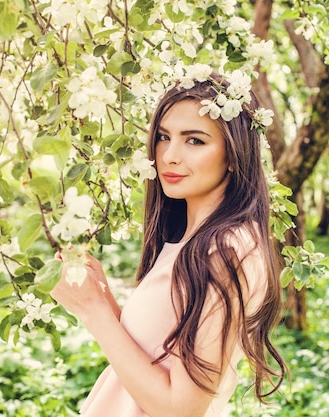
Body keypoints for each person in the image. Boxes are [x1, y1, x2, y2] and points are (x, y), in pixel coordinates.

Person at [51, 70, 286, 417]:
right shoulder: (191, 241)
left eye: (195, 140)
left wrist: (94, 312)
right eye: (163, 137)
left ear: (234, 154)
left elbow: (181, 409)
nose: (169, 156)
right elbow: (154, 358)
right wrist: (101, 300)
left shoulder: (227, 251)